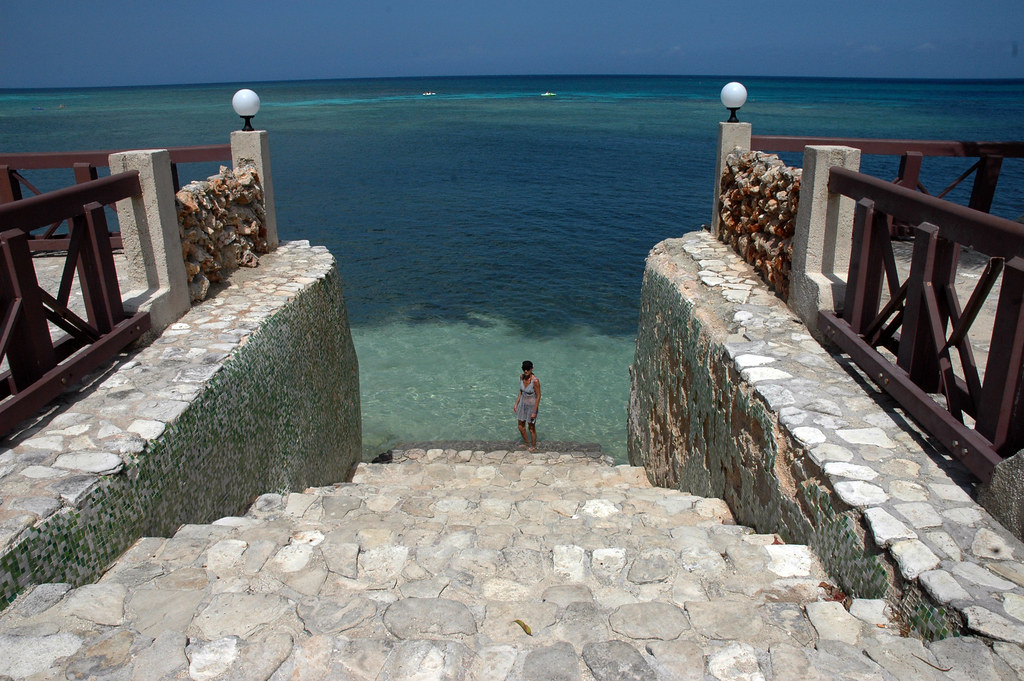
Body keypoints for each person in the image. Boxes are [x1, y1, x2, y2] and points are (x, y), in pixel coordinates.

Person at [513, 360, 541, 451]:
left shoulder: (535, 381)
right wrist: (516, 404)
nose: (525, 371)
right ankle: (526, 442)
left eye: (527, 369)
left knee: (531, 428)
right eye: (524, 369)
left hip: (531, 407)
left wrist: (534, 411)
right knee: (520, 426)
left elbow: (538, 396)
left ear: (532, 369)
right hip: (522, 405)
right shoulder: (522, 377)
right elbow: (521, 392)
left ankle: (533, 446)